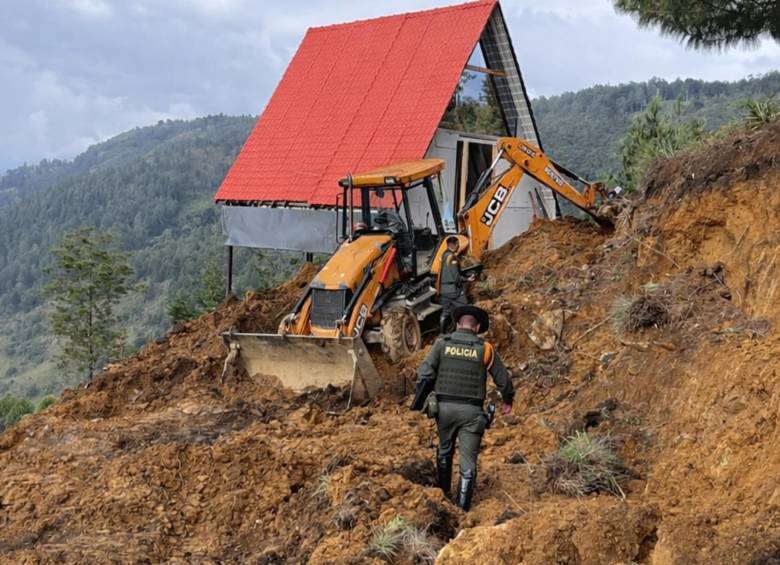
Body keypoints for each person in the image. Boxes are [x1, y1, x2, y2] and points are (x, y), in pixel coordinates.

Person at [410, 305, 514, 511]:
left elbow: (424, 373)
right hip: (472, 413)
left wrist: (420, 401)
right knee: (468, 462)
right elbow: (503, 380)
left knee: (444, 450)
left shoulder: (442, 344)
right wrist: (508, 400)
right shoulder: (485, 348)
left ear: (458, 324)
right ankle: (462, 510)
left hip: (444, 409)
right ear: (476, 328)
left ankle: (444, 494)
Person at [437, 236, 475, 334]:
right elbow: (456, 277)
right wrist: (467, 279)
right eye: (458, 244)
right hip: (453, 291)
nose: (459, 247)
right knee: (465, 308)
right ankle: (464, 333)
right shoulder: (452, 257)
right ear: (454, 245)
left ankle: (442, 334)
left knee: (446, 312)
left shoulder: (443, 255)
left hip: (443, 290)